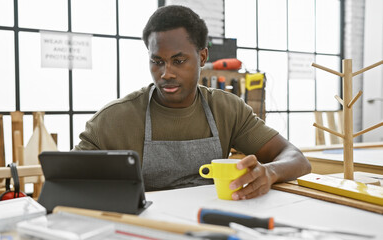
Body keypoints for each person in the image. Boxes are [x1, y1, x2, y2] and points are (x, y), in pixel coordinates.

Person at [74, 5, 311, 200]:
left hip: (211, 224)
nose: (166, 73)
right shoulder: (115, 118)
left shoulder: (227, 109)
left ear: (203, 57)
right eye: (157, 61)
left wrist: (269, 172)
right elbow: (67, 181)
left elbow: (296, 158)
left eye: (178, 61)